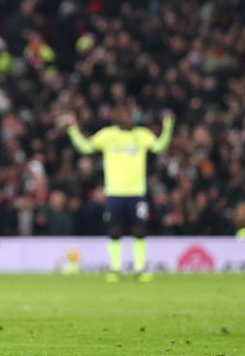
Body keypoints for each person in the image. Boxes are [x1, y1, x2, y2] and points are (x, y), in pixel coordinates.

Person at [65, 105, 174, 281]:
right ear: (117, 118)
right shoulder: (108, 135)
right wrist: (72, 129)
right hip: (114, 193)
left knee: (139, 229)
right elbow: (85, 148)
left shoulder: (141, 135)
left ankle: (140, 268)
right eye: (124, 115)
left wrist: (168, 126)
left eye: (129, 115)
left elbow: (159, 146)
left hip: (136, 192)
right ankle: (115, 269)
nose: (128, 118)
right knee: (114, 230)